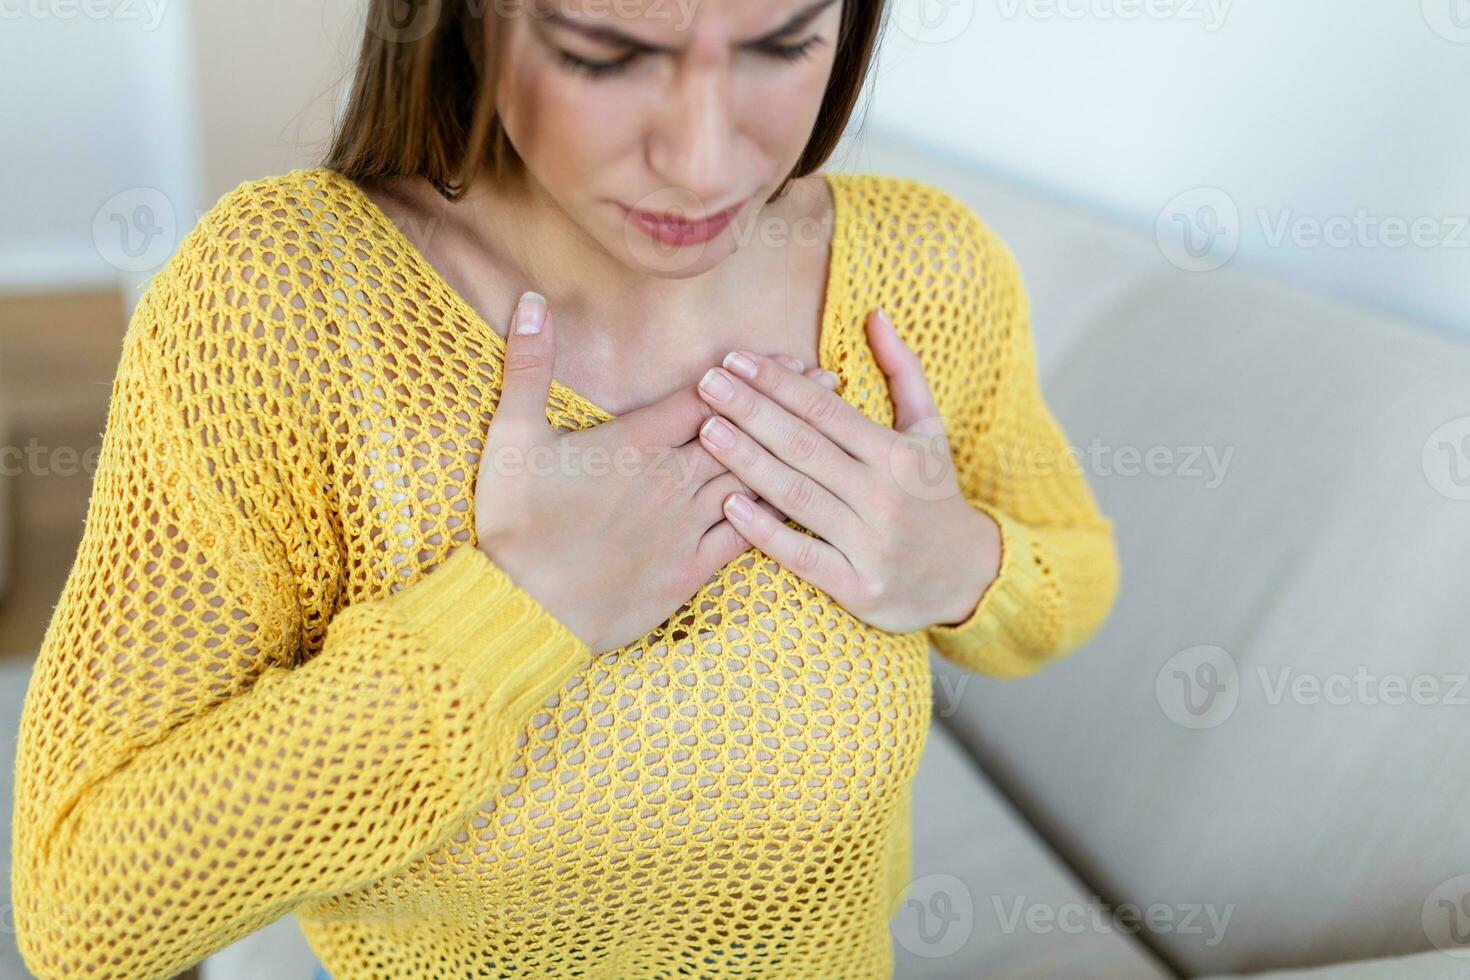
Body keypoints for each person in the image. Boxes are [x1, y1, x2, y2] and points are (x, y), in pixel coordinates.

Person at [10, 0, 1121, 976]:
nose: (702, 159)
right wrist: (514, 611)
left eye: (783, 42)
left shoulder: (927, 269)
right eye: (605, 50)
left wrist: (959, 562)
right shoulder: (284, 302)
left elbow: (1073, 573)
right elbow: (83, 913)